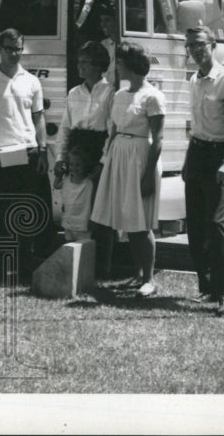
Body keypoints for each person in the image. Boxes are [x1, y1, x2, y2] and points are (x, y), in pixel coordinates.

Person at [0, 28, 51, 284]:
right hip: (0, 157)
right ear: (0, 49)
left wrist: (42, 147)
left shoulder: (31, 80)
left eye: (18, 49)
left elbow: (38, 117)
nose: (13, 54)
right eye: (8, 49)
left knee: (25, 215)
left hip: (27, 153)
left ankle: (24, 270)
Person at [90, 42, 165, 297]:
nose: (116, 67)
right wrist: (105, 160)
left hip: (141, 159)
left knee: (141, 222)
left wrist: (148, 174)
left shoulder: (152, 96)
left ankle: (149, 279)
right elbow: (113, 130)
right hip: (119, 157)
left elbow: (158, 138)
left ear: (131, 65)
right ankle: (137, 274)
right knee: (129, 219)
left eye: (119, 62)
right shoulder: (119, 95)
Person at [182, 26, 224, 316]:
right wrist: (187, 160)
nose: (194, 50)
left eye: (199, 45)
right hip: (196, 153)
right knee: (195, 223)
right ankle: (206, 288)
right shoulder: (194, 79)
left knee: (216, 223)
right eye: (190, 45)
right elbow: (195, 124)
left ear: (213, 45)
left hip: (219, 154)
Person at [52, 41, 114, 186]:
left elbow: (112, 132)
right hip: (75, 159)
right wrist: (60, 158)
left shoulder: (110, 93)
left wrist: (103, 163)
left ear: (98, 65)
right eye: (79, 62)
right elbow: (65, 128)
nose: (79, 66)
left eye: (85, 62)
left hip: (97, 154)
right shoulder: (74, 93)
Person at [54, 145, 98, 243]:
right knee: (69, 249)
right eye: (71, 164)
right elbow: (56, 185)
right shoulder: (66, 180)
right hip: (68, 222)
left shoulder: (88, 183)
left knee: (83, 251)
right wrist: (59, 172)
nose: (74, 167)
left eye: (78, 164)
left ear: (85, 165)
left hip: (83, 224)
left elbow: (94, 201)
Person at [97, 4, 118, 89]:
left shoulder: (127, 45)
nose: (103, 25)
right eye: (101, 21)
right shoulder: (103, 44)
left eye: (107, 20)